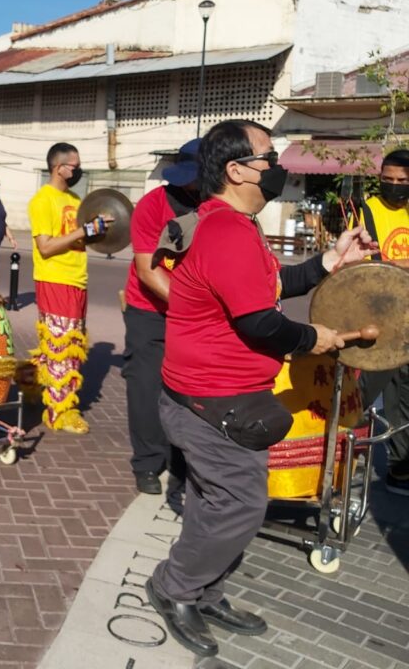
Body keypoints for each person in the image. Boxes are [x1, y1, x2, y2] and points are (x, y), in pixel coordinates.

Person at [146, 120, 375, 658]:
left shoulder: (230, 225)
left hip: (211, 396)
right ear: (237, 169)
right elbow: (260, 324)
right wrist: (313, 337)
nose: (278, 165)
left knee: (211, 502)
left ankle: (205, 592)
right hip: (212, 401)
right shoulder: (225, 230)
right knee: (242, 507)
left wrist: (330, 261)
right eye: (269, 156)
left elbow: (272, 286)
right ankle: (174, 586)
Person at [122, 139, 201, 494]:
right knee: (146, 385)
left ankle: (181, 460)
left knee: (187, 390)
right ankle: (148, 462)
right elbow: (147, 270)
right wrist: (192, 307)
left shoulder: (216, 206)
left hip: (193, 314)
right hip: (150, 309)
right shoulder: (152, 206)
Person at [29, 143, 104, 434]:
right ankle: (60, 412)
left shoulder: (75, 199)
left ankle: (33, 384)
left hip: (77, 278)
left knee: (67, 342)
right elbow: (45, 247)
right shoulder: (42, 200)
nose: (77, 170)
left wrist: (96, 231)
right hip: (55, 279)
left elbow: (79, 239)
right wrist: (82, 231)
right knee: (62, 345)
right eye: (74, 165)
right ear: (58, 167)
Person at [359, 149, 409, 494]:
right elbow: (360, 265)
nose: (394, 187)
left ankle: (400, 468)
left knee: (404, 394)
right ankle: (334, 450)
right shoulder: (367, 211)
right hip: (377, 317)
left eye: (402, 182)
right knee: (363, 390)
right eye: (388, 180)